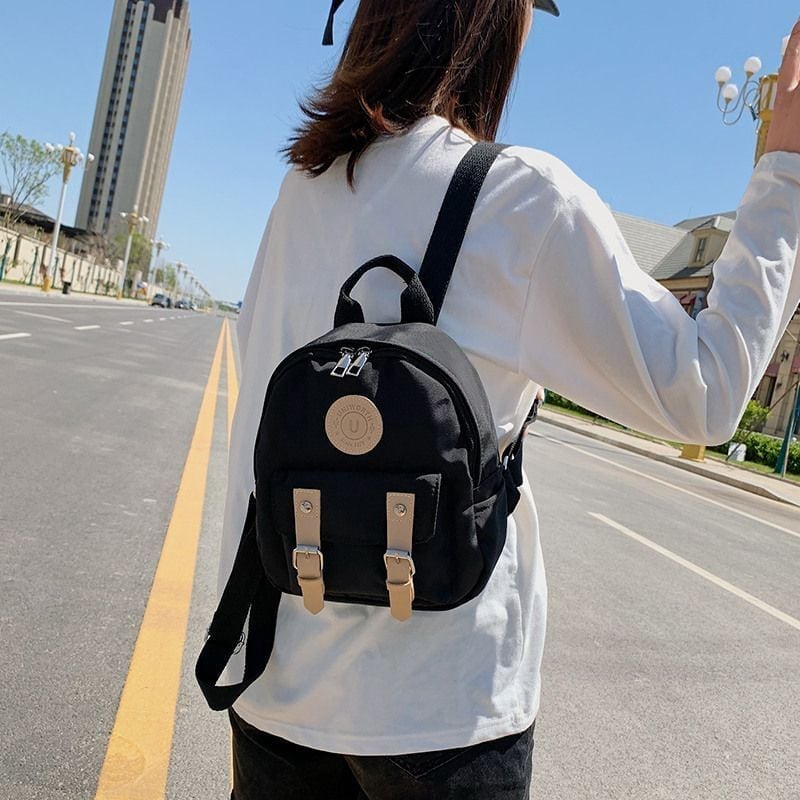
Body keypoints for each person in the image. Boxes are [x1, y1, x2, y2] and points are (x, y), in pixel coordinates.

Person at [215, 3, 800, 798]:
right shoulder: (520, 200)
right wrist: (786, 170)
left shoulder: (304, 188)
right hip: (442, 716)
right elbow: (707, 392)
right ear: (496, 24)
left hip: (275, 686)